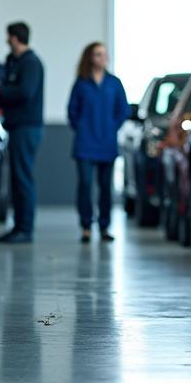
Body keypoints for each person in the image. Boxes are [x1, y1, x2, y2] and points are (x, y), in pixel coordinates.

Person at [67, 42, 129, 243]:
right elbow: (72, 111)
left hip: (107, 143)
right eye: (96, 54)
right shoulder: (81, 83)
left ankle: (104, 226)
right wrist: (82, 127)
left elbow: (123, 110)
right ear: (89, 58)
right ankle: (86, 225)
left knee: (105, 186)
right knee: (85, 184)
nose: (101, 58)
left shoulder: (114, 83)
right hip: (85, 143)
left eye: (103, 54)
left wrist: (112, 127)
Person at [0, 22, 44, 244]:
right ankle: (19, 227)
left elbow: (24, 92)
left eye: (8, 37)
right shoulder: (15, 62)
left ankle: (25, 229)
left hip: (27, 127)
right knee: (17, 178)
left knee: (23, 178)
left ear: (14, 38)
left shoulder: (31, 63)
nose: (7, 41)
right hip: (16, 126)